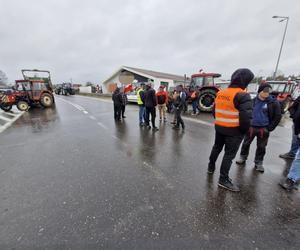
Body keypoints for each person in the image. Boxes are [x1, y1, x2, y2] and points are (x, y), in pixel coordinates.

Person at [208, 68, 254, 192]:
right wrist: (244, 131)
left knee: (216, 148)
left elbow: (214, 110)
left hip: (220, 127)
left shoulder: (221, 92)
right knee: (229, 155)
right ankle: (223, 180)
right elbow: (245, 118)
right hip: (234, 131)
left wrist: (221, 121)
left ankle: (210, 167)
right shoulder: (243, 95)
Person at [236, 83, 282, 172]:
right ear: (259, 91)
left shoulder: (273, 102)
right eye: (265, 91)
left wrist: (270, 128)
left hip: (263, 129)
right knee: (246, 143)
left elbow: (278, 116)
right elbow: (245, 113)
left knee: (261, 147)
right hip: (251, 127)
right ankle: (243, 157)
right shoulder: (252, 101)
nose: (267, 93)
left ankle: (258, 162)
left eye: (269, 91)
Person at [279, 99, 300, 190]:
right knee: (299, 157)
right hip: (298, 127)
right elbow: (293, 107)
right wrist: (295, 116)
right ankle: (292, 178)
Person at [279, 95, 300, 159]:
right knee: (295, 139)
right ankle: (292, 153)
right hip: (297, 123)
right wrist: (294, 115)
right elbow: (292, 107)